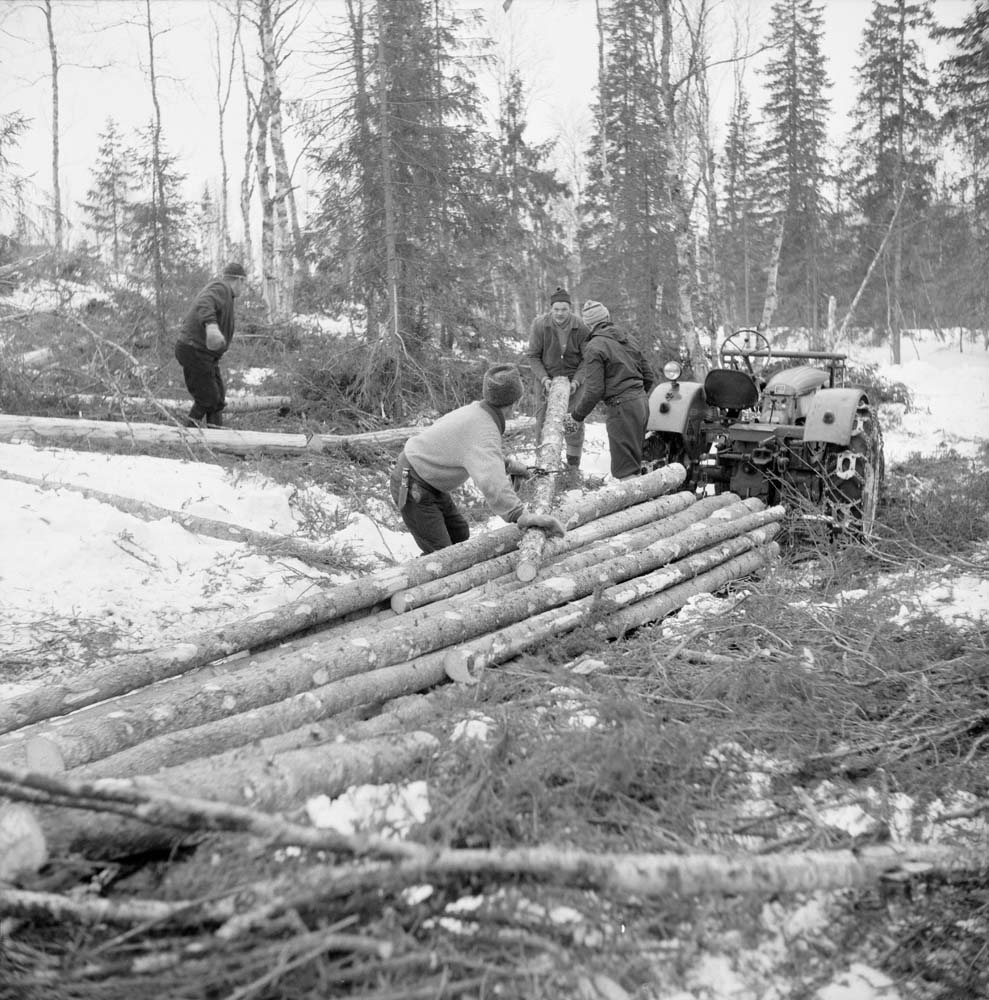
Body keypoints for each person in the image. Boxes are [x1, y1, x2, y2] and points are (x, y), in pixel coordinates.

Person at [389, 364, 567, 554]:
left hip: (426, 479)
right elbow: (492, 482)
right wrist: (520, 515)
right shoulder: (484, 430)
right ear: (515, 402)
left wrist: (510, 466)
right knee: (443, 555)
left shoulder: (476, 412)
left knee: (459, 534)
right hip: (413, 485)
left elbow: (473, 453)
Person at [567, 301, 656, 480]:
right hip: (641, 404)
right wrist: (635, 396)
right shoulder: (628, 338)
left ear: (588, 325)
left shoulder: (594, 346)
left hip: (621, 407)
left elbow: (594, 390)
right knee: (635, 464)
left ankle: (636, 507)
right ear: (607, 318)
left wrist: (576, 417)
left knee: (625, 471)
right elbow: (649, 376)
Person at [174, 262, 248, 428]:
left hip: (204, 354)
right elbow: (205, 302)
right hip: (194, 350)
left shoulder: (226, 294)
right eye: (244, 284)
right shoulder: (220, 287)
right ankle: (186, 436)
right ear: (239, 280)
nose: (243, 289)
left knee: (218, 400)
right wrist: (212, 326)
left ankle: (217, 441)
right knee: (208, 399)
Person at [525, 286, 589, 469]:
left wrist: (577, 381)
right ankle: (543, 463)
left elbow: (587, 359)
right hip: (546, 380)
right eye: (556, 309)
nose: (560, 313)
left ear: (570, 309)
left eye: (564, 310)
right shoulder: (540, 325)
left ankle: (572, 466)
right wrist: (544, 379)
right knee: (543, 420)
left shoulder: (581, 327)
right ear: (551, 309)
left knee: (573, 421)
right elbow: (533, 356)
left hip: (574, 381)